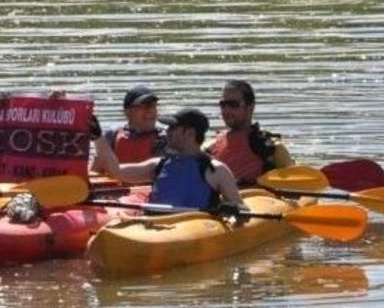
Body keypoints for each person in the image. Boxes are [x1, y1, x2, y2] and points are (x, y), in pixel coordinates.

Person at [92, 107, 244, 210]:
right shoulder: (158, 165)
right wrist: (97, 137)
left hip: (192, 231)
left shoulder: (216, 170)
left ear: (189, 133)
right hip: (156, 228)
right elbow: (115, 172)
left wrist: (230, 210)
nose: (167, 131)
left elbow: (242, 211)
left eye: (173, 127)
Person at [204, 80, 293, 186]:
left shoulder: (272, 148)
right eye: (223, 104)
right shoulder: (210, 147)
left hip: (256, 199)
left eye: (233, 105)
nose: (226, 110)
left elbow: (293, 184)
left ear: (250, 108)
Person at [90, 85, 167, 172]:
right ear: (127, 112)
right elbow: (95, 170)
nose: (149, 110)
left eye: (152, 105)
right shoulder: (113, 135)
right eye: (142, 106)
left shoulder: (165, 139)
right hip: (115, 183)